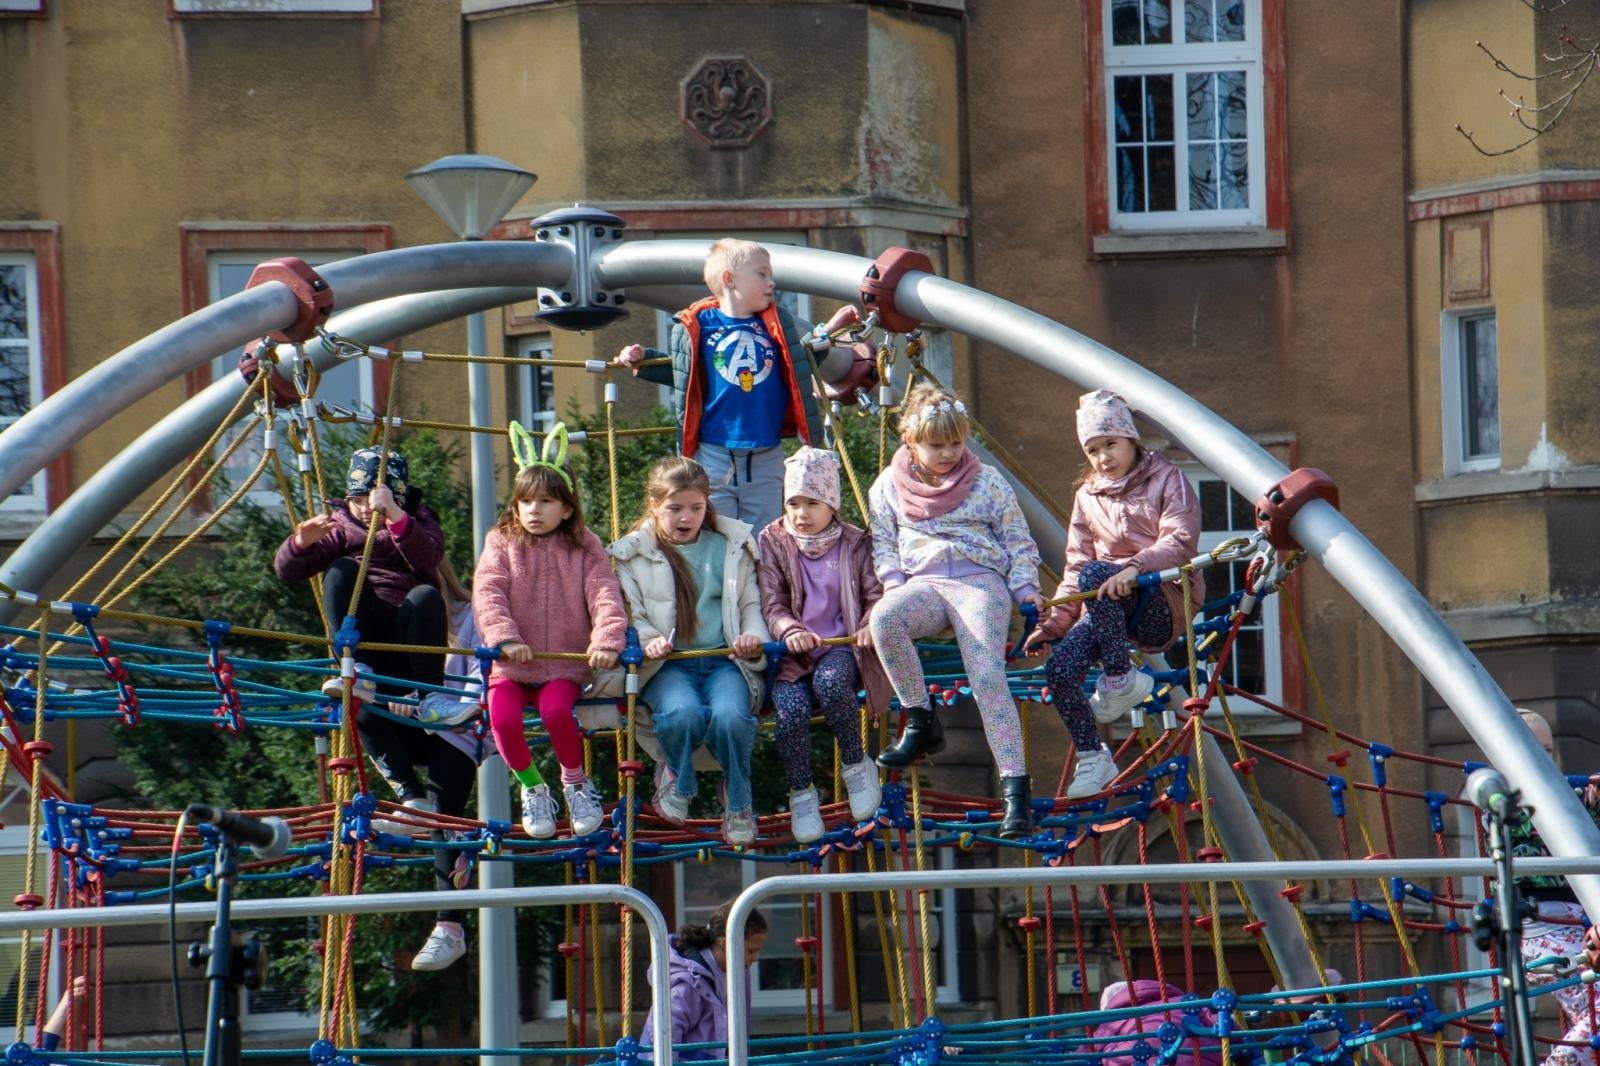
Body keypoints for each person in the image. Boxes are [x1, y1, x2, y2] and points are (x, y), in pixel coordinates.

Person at [866, 381, 1045, 839]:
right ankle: (921, 719)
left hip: (978, 581)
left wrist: (1025, 587)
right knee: (885, 618)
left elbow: (1018, 540)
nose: (948, 453)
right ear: (911, 440)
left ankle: (1015, 793)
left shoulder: (985, 482)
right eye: (935, 444)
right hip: (924, 582)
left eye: (956, 443)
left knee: (987, 676)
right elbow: (884, 543)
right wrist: (895, 585)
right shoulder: (888, 486)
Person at [1023, 390, 1202, 800]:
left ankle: (1120, 678)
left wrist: (1134, 568)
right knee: (1061, 669)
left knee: (1099, 571)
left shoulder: (1165, 477)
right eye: (1093, 450)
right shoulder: (1087, 496)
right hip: (1106, 605)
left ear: (1131, 440)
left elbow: (1180, 538)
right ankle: (1094, 757)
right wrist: (1052, 627)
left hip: (1161, 599)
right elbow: (1074, 567)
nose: (1103, 458)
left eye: (1110, 445)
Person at [612, 237, 856, 530]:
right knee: (718, 531)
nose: (772, 282)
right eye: (761, 274)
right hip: (715, 451)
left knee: (762, 533)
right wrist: (642, 359)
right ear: (729, 279)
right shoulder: (700, 324)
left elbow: (799, 361)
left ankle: (760, 578)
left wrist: (829, 330)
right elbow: (683, 373)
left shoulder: (775, 324)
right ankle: (723, 577)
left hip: (765, 451)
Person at [472, 422, 627, 840]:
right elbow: (488, 593)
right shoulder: (501, 541)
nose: (534, 511)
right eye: (526, 502)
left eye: (545, 501)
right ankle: (534, 788)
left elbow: (604, 594)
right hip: (511, 665)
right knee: (501, 720)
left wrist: (606, 641)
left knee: (556, 712)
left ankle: (575, 783)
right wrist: (505, 638)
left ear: (567, 509)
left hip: (562, 663)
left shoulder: (584, 545)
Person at [608, 456, 769, 846]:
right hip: (668, 665)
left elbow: (750, 604)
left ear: (706, 506)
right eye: (675, 508)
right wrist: (649, 641)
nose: (686, 517)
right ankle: (678, 776)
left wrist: (751, 636)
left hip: (722, 660)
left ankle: (739, 798)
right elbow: (633, 612)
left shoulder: (730, 547)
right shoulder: (631, 554)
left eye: (696, 508)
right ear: (654, 506)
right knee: (682, 713)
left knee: (732, 715)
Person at [756, 447, 892, 842]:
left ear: (832, 503)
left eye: (812, 503)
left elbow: (874, 593)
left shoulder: (854, 543)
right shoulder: (774, 540)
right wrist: (787, 629)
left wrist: (869, 625)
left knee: (832, 685)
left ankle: (855, 763)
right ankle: (801, 793)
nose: (801, 514)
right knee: (791, 715)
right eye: (793, 503)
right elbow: (772, 599)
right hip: (793, 652)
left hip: (839, 646)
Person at [380, 552, 499, 972]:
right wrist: (393, 698)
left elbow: (483, 684)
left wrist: (436, 707)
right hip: (414, 724)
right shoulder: (394, 623)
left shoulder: (472, 618)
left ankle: (450, 927)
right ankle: (410, 799)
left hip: (459, 729)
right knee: (354, 706)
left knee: (446, 817)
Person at [274, 445, 448, 703]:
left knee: (426, 596)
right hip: (365, 637)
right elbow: (287, 573)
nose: (365, 508)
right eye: (357, 501)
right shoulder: (342, 527)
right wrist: (301, 543)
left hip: (407, 635)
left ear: (396, 499)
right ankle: (356, 668)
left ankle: (431, 694)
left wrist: (397, 517)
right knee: (340, 570)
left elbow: (428, 558)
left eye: (372, 500)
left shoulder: (419, 520)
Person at [1500, 710, 1600, 1066]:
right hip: (1539, 929)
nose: (1544, 758)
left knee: (1593, 1011)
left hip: (1582, 923)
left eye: (1548, 749)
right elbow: (1531, 833)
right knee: (1599, 1007)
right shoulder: (1501, 801)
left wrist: (1593, 805)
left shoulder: (1565, 798)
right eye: (1533, 749)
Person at [640, 901, 768, 1063]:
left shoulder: (738, 971)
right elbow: (664, 1032)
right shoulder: (690, 982)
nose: (755, 958)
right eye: (751, 950)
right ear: (726, 945)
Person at [1092, 980, 1223, 1066]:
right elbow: (1222, 1024)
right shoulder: (1185, 1004)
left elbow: (1088, 1048)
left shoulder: (1112, 1019)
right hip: (1201, 1059)